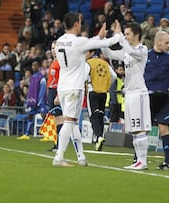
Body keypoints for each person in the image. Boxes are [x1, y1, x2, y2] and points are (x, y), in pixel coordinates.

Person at [52, 12, 123, 167]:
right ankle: (59, 157)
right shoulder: (77, 42)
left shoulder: (60, 41)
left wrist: (99, 37)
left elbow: (91, 43)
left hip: (62, 86)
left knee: (72, 121)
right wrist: (117, 35)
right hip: (74, 87)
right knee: (69, 122)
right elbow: (100, 44)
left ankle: (81, 156)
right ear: (76, 24)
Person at [101, 22, 151, 170]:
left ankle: (143, 161)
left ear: (136, 35)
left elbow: (128, 49)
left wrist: (119, 36)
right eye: (125, 34)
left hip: (139, 93)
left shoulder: (142, 49)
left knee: (140, 128)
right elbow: (108, 53)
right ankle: (138, 160)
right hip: (129, 93)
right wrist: (103, 40)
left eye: (128, 34)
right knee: (134, 129)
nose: (126, 36)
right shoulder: (127, 52)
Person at [144, 30, 169, 170]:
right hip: (146, 97)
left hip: (163, 98)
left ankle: (167, 162)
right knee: (143, 129)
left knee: (163, 128)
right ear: (158, 42)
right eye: (166, 43)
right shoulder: (145, 55)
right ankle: (139, 158)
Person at [86, 49, 116, 151]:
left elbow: (83, 77)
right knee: (100, 115)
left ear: (91, 53)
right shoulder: (105, 64)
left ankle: (98, 137)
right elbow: (114, 76)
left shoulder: (88, 63)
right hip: (103, 93)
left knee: (93, 116)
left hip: (92, 91)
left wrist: (87, 85)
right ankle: (100, 138)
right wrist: (106, 86)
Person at [46, 41, 62, 151]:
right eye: (52, 48)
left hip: (56, 91)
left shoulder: (61, 63)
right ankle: (56, 144)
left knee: (59, 118)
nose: (53, 50)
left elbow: (61, 80)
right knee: (55, 118)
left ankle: (59, 145)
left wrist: (58, 95)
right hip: (51, 90)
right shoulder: (54, 62)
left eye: (55, 48)